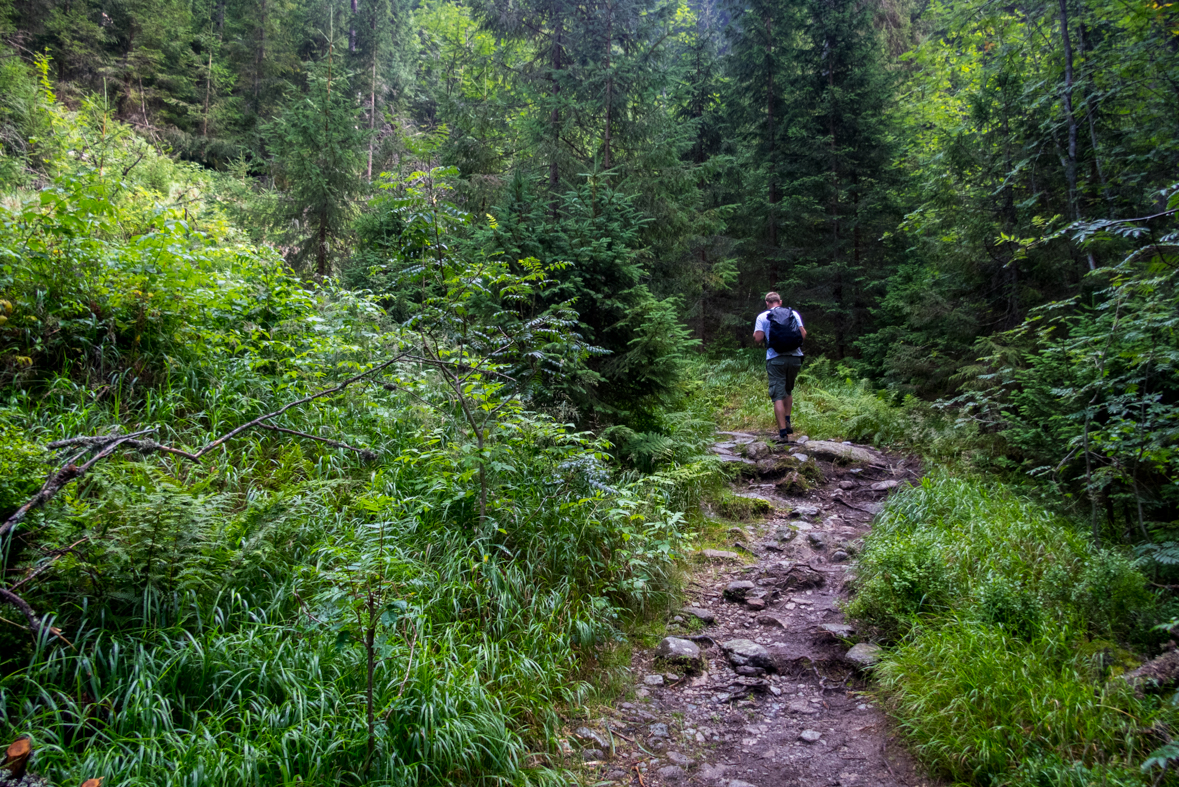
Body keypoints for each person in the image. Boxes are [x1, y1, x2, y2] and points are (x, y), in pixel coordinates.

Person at [753, 292, 806, 441]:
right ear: (780, 302)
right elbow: (803, 334)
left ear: (767, 303)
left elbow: (758, 339)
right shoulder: (793, 313)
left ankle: (783, 433)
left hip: (775, 359)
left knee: (778, 395)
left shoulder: (763, 317)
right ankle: (787, 419)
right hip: (795, 358)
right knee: (788, 390)